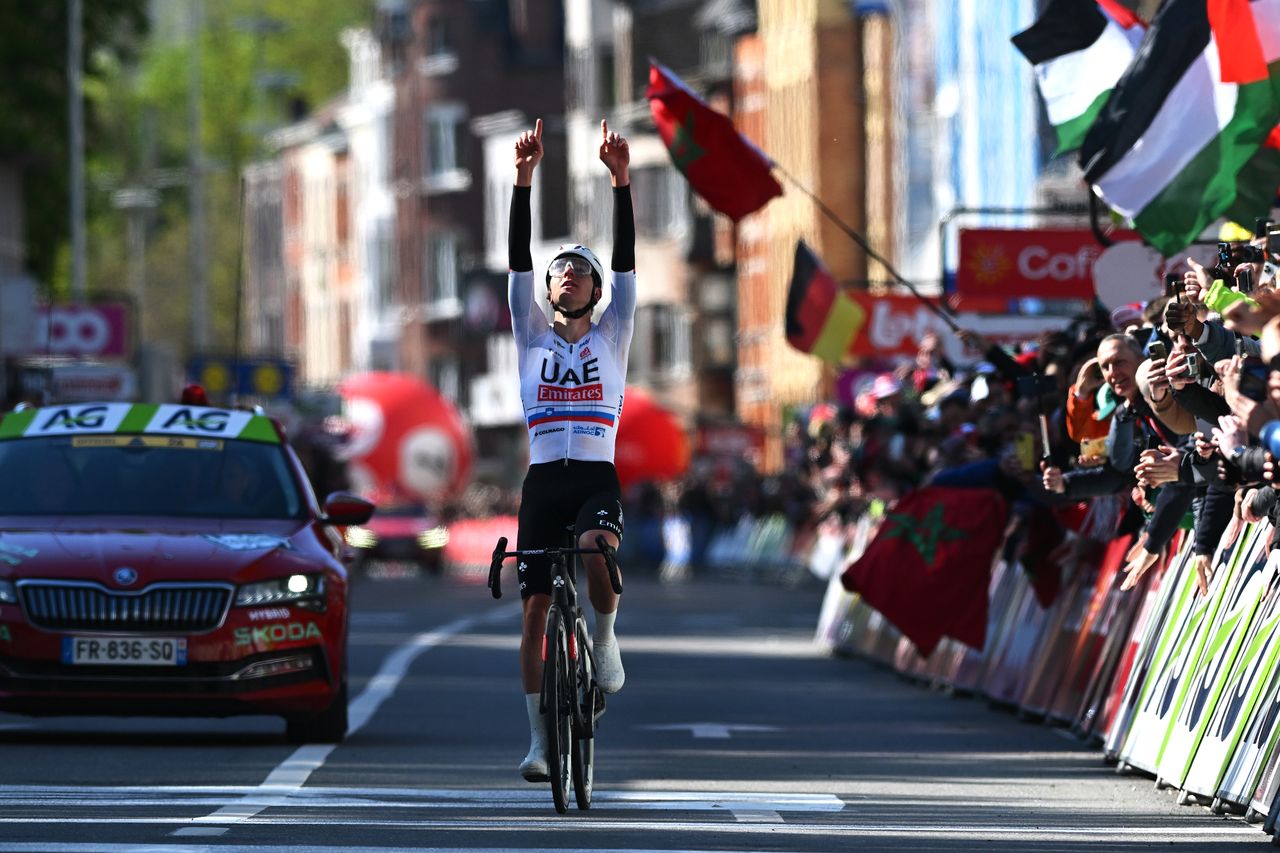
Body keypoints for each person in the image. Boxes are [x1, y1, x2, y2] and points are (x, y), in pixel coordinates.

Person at [508, 117, 634, 782]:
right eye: (559, 271)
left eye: (581, 272)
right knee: (532, 612)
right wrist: (523, 180)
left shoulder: (613, 336)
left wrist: (621, 182)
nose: (567, 277)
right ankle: (537, 741)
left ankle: (606, 645)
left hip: (594, 475)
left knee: (593, 552)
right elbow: (516, 260)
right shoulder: (529, 336)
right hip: (541, 482)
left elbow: (629, 262)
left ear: (597, 289)